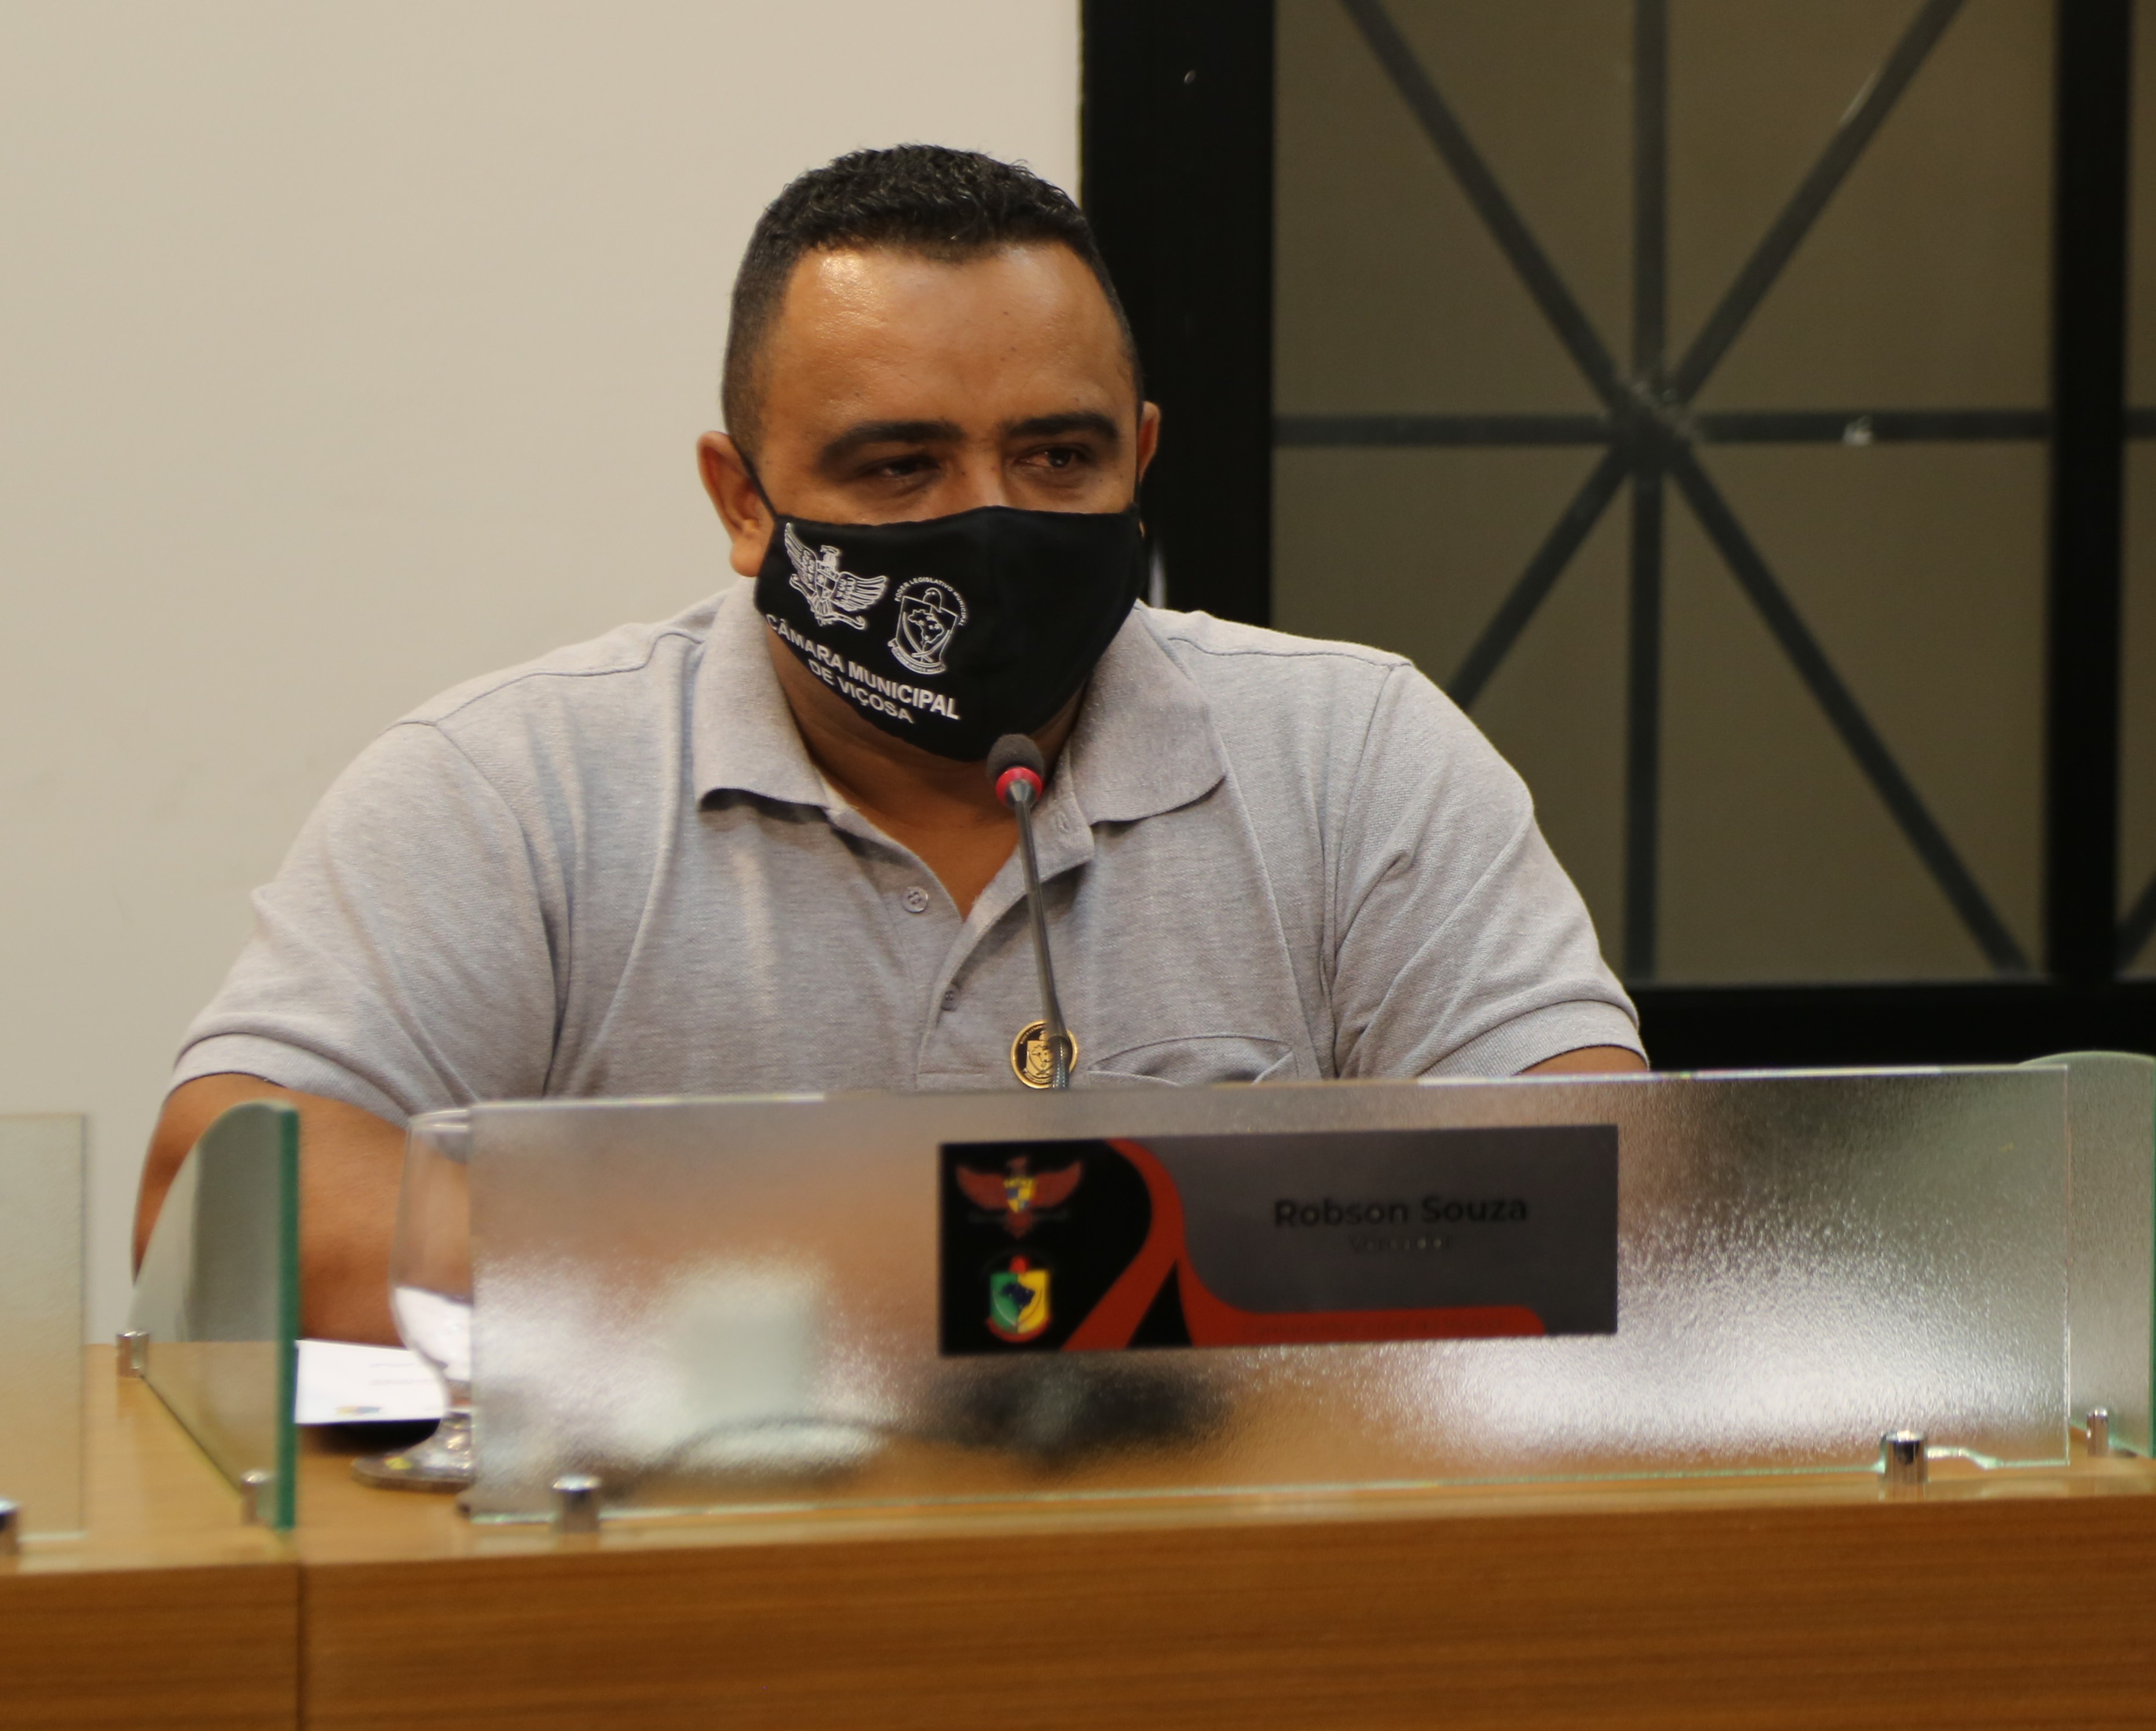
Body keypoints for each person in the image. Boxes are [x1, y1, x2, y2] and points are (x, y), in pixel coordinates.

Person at [137, 145, 1645, 1342]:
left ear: (1141, 460)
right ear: (743, 502)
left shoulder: (1352, 752)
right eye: (898, 467)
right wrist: (885, 1272)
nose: (988, 519)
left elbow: (1614, 1194)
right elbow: (227, 1204)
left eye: (1057, 455)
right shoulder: (511, 787)